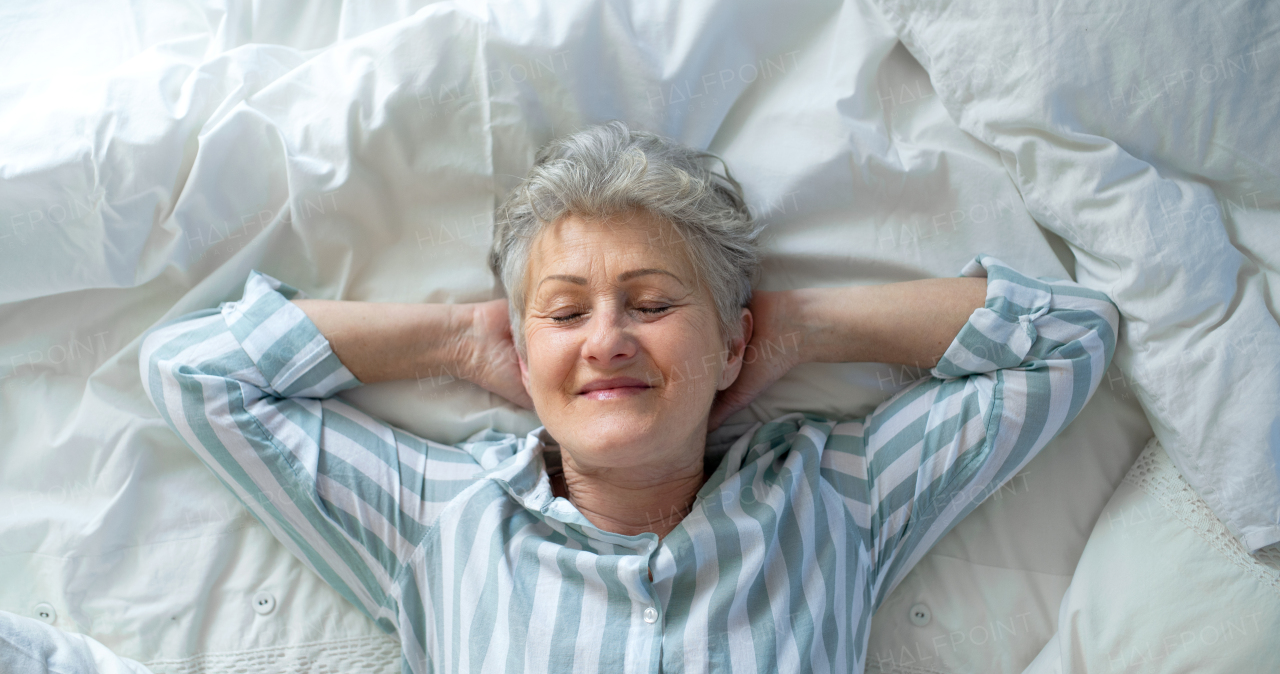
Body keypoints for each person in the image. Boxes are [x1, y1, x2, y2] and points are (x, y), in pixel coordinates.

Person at [140, 121, 1117, 673]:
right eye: (564, 315)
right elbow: (195, 375)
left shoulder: (830, 500)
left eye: (649, 303)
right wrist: (450, 340)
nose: (606, 339)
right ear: (523, 353)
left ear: (731, 339)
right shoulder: (442, 521)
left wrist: (796, 330)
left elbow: (1069, 339)